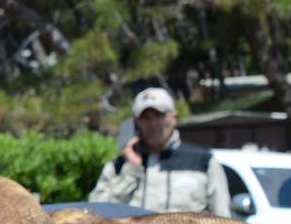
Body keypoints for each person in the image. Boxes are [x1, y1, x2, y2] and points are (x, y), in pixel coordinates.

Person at [88, 86, 231, 215]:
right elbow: (96, 214)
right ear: (136, 123)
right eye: (145, 117)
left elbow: (223, 221)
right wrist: (131, 172)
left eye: (159, 115)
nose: (152, 124)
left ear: (174, 117)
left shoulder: (203, 162)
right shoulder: (118, 166)